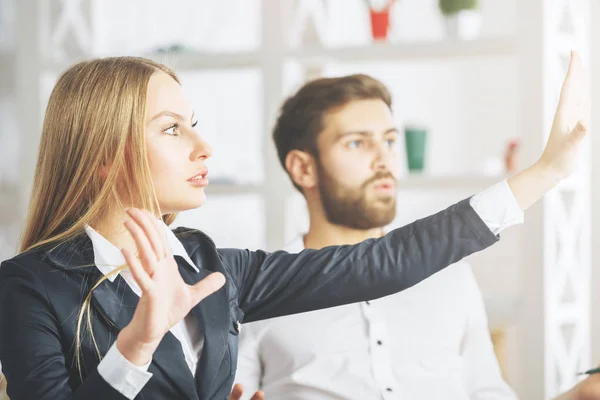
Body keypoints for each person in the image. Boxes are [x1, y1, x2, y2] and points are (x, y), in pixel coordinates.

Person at [0, 53, 589, 400]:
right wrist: (139, 341)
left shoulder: (215, 267)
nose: (204, 146)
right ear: (106, 152)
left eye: (196, 124)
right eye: (173, 129)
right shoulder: (28, 285)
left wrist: (546, 172)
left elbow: (383, 264)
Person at [235, 73, 517, 399]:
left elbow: (487, 392)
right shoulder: (260, 293)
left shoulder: (450, 273)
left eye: (389, 141)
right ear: (303, 169)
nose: (384, 160)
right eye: (357, 143)